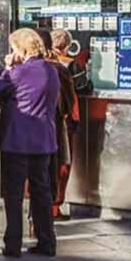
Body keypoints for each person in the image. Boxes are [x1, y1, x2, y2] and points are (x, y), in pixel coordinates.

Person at [0, 28, 59, 258]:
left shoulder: (17, 72)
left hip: (16, 139)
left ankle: (13, 243)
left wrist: (8, 67)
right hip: (43, 140)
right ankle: (46, 240)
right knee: (41, 192)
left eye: (13, 48)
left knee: (13, 195)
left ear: (21, 49)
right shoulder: (51, 71)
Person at [48, 29, 82, 220]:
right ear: (67, 46)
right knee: (63, 162)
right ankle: (55, 206)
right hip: (64, 119)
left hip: (44, 120)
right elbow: (84, 86)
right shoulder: (69, 65)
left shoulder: (40, 63)